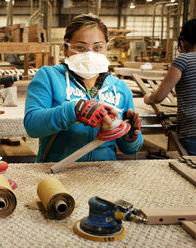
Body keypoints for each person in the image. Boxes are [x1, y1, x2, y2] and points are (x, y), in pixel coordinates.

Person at [24, 14, 143, 163]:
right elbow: (32, 126)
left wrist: (130, 136)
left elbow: (130, 150)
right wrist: (74, 110)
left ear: (106, 48)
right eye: (80, 47)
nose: (90, 54)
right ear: (65, 49)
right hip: (58, 172)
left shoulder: (120, 88)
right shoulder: (49, 77)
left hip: (103, 174)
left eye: (98, 47)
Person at [144, 19, 196, 155]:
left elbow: (159, 97)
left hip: (192, 129)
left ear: (184, 40)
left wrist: (147, 99)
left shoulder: (184, 60)